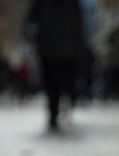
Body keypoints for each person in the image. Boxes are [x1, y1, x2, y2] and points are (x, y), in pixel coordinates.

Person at [25, 0, 86, 131]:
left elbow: (32, 18)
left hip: (53, 47)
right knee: (56, 81)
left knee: (53, 82)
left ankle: (55, 111)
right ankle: (56, 110)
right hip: (58, 48)